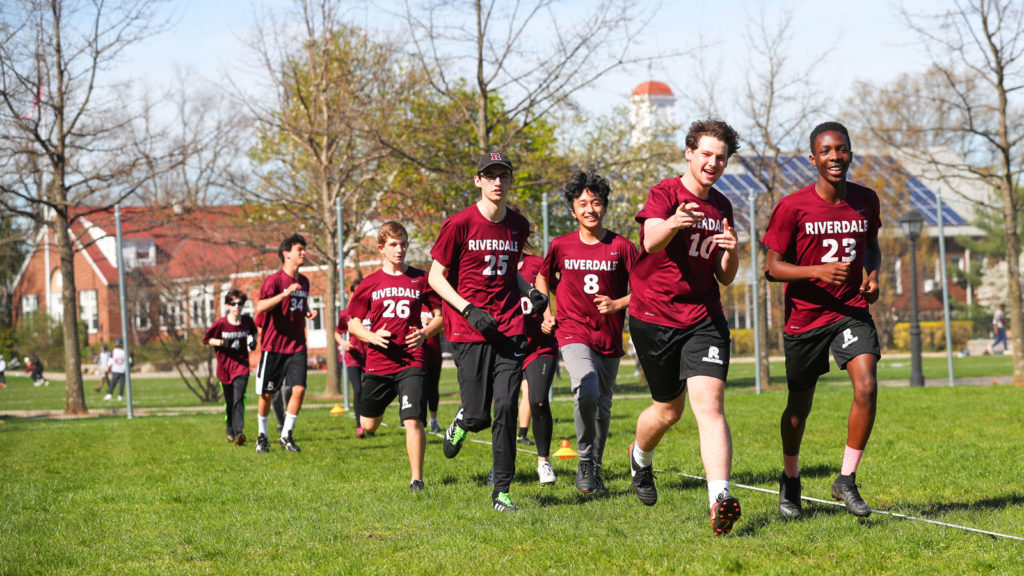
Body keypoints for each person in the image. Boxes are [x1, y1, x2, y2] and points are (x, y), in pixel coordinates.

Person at [626, 118, 743, 536]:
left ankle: (720, 499)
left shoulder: (723, 207)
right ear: (690, 152)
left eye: (721, 158)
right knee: (667, 411)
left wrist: (731, 253)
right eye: (707, 154)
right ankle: (640, 456)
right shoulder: (665, 193)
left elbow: (725, 277)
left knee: (709, 408)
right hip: (653, 317)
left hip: (704, 319)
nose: (713, 163)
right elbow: (650, 240)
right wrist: (675, 221)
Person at [762, 121, 882, 519]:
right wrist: (815, 271)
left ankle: (846, 479)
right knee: (799, 407)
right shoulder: (793, 206)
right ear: (813, 159)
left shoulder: (866, 200)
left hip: (850, 311)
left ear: (850, 153)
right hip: (806, 319)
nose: (835, 157)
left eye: (841, 149)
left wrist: (872, 274)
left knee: (866, 385)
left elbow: (873, 247)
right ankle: (791, 479)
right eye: (826, 151)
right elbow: (772, 268)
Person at [429, 151, 547, 512]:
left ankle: (502, 491)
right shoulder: (459, 224)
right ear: (478, 180)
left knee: (508, 407)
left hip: (510, 327)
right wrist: (468, 308)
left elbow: (511, 270)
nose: (498, 182)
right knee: (479, 415)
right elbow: (435, 277)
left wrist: (529, 291)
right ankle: (462, 421)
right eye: (490, 175)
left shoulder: (518, 224)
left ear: (510, 181)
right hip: (469, 330)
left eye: (504, 175)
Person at [536, 171, 638, 494]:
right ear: (573, 210)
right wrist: (547, 311)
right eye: (583, 204)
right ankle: (583, 459)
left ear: (605, 207)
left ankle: (595, 467)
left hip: (608, 334)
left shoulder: (621, 246)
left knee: (603, 405)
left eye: (596, 202)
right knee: (587, 385)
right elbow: (542, 278)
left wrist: (618, 302)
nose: (590, 209)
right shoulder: (561, 245)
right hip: (572, 330)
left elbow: (649, 288)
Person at [347, 222, 443, 492]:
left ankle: (417, 480)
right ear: (381, 248)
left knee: (413, 419)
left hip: (411, 361)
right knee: (368, 424)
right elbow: (353, 323)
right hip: (378, 364)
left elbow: (441, 318)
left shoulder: (421, 279)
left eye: (403, 244)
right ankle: (381, 405)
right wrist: (371, 336)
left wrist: (424, 334)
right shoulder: (369, 283)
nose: (399, 249)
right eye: (393, 244)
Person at [254, 233, 318, 453]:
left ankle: (286, 434)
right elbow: (260, 307)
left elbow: (298, 305)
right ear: (286, 254)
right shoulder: (274, 280)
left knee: (299, 390)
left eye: (304, 249)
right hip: (274, 347)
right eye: (299, 249)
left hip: (297, 346)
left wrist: (308, 312)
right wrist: (283, 295)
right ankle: (262, 436)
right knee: (267, 394)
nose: (303, 253)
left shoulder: (304, 281)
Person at [518, 246, 560, 485]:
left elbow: (562, 290)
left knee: (539, 400)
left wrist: (551, 317)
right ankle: (500, 466)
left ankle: (543, 462)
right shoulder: (492, 267)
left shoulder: (537, 264)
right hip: (507, 347)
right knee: (503, 406)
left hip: (540, 346)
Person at [204, 289, 259, 446]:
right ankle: (230, 428)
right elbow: (207, 340)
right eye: (233, 304)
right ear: (227, 306)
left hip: (241, 366)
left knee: (239, 398)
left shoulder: (247, 321)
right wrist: (222, 342)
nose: (237, 307)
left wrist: (253, 341)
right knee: (230, 401)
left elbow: (254, 332)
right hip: (224, 368)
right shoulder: (221, 324)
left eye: (240, 304)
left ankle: (239, 432)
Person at [334, 281, 368, 439]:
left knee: (368, 392)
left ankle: (370, 422)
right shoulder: (345, 313)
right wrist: (343, 343)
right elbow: (337, 333)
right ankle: (359, 426)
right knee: (358, 390)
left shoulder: (371, 310)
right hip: (353, 357)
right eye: (355, 292)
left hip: (370, 357)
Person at [420, 307, 444, 434]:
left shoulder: (435, 306)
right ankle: (418, 421)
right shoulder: (413, 301)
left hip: (434, 355)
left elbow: (447, 328)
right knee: (419, 389)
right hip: (417, 355)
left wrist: (432, 323)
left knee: (433, 389)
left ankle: (433, 420)